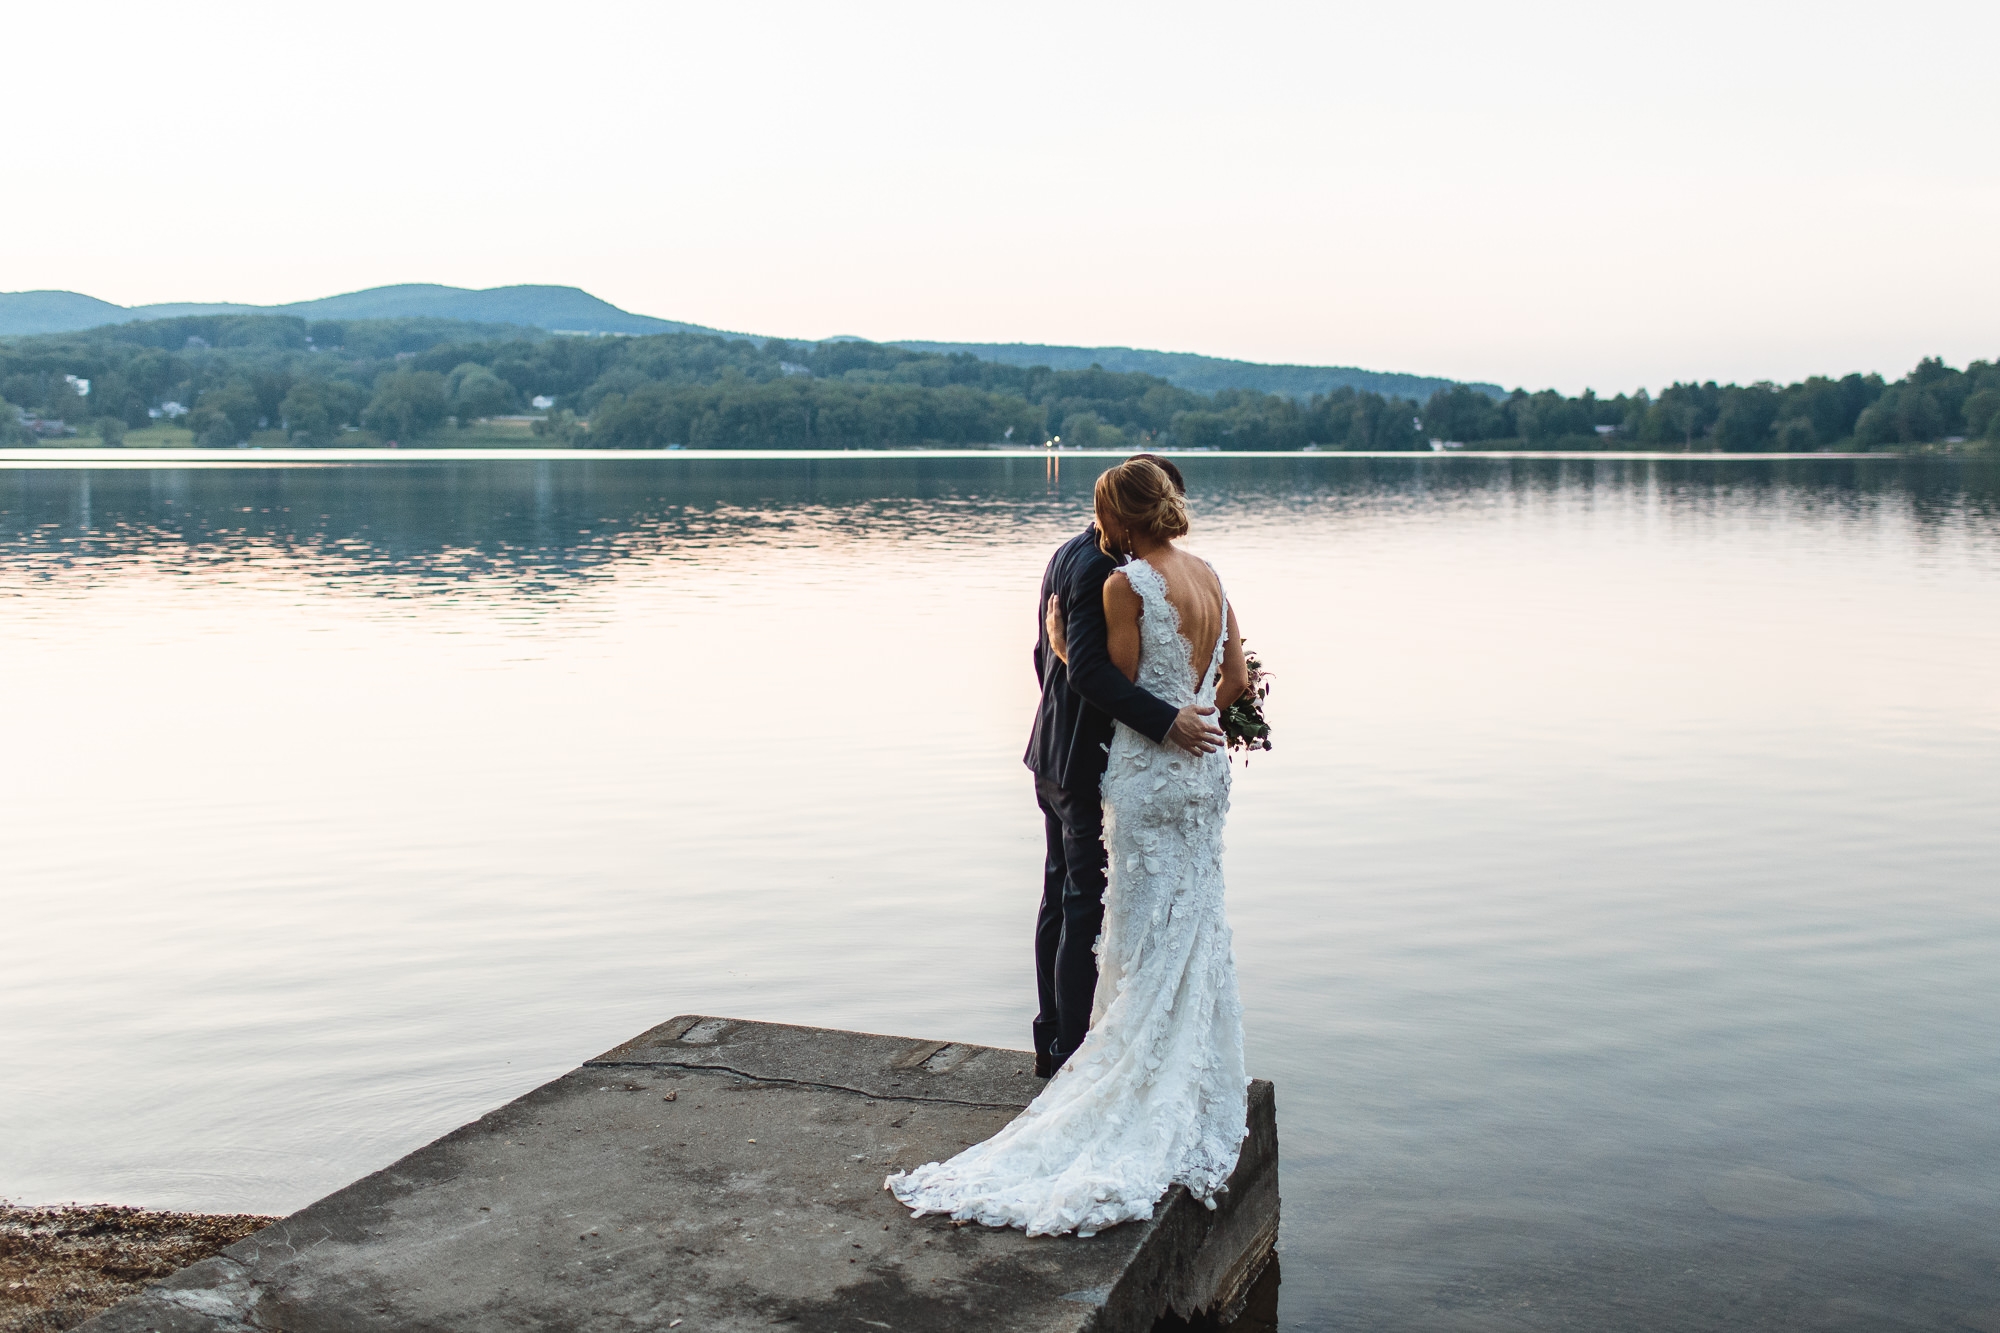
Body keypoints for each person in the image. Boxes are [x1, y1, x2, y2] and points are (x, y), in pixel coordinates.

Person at [888, 457, 1251, 1236]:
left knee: (1096, 905)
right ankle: (1084, 1050)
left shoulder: (1102, 571)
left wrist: (1066, 658)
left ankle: (1076, 1055)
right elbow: (1231, 682)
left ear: (1122, 516)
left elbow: (1101, 677)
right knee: (1159, 914)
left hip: (1128, 768)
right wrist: (1190, 708)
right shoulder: (1199, 574)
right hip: (1183, 770)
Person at [1022, 454, 1224, 1078]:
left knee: (1062, 897)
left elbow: (1047, 660)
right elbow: (1088, 673)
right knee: (1084, 903)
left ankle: (1052, 1037)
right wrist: (1171, 719)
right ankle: (1068, 1055)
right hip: (1089, 762)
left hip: (1051, 752)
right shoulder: (1112, 571)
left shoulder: (1067, 552)